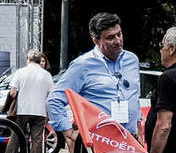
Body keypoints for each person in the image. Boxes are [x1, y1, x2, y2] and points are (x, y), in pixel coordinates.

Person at [48, 12, 142, 140]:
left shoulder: (131, 60)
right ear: (96, 40)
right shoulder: (82, 65)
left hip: (129, 141)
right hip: (100, 142)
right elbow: (54, 100)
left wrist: (139, 131)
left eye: (119, 34)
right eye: (110, 37)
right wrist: (70, 133)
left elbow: (134, 97)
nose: (117, 41)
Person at [6, 48, 53, 153]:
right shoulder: (47, 75)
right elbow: (50, 95)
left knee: (16, 135)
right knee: (37, 139)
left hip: (22, 110)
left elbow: (13, 93)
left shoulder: (20, 72)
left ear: (29, 59)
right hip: (39, 111)